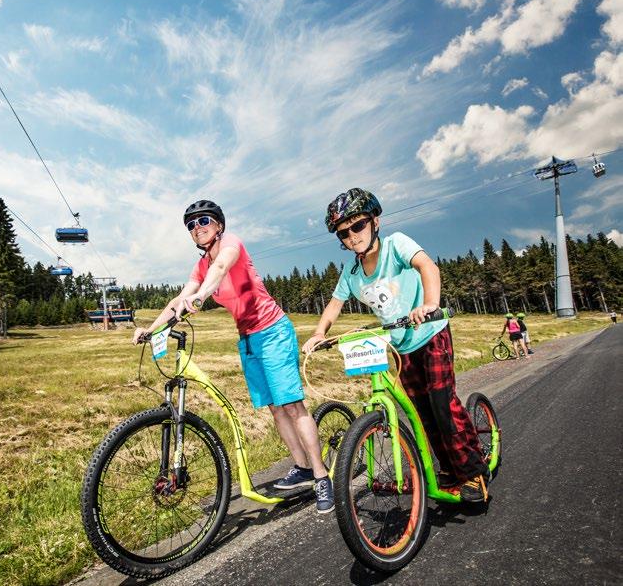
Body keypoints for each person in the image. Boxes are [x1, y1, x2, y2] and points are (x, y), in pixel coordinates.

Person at [132, 200, 334, 513]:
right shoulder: (200, 266)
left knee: (292, 405)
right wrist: (152, 328)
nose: (197, 228)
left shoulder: (231, 244)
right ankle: (302, 468)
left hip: (273, 331)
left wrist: (201, 296)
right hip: (249, 339)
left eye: (203, 221)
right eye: (191, 225)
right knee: (274, 408)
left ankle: (321, 477)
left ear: (219, 225)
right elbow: (180, 298)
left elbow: (222, 267)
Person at [303, 188, 490, 502]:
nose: (352, 236)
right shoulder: (350, 273)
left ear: (375, 221)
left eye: (357, 226)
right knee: (423, 414)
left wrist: (430, 304)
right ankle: (448, 469)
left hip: (430, 334)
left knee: (443, 406)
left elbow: (428, 267)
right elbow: (335, 304)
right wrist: (320, 333)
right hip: (401, 347)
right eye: (343, 233)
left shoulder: (396, 244)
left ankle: (473, 473)